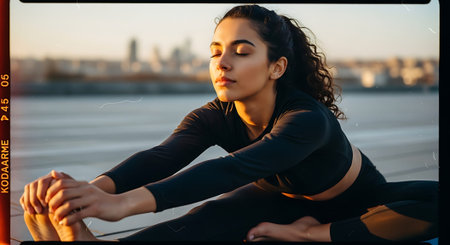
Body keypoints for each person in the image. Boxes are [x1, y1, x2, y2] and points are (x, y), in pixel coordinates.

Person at [20, 4, 438, 242]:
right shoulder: (212, 116)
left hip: (359, 200)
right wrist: (83, 194)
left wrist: (123, 205)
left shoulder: (307, 118)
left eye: (241, 50)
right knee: (199, 223)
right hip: (275, 198)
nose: (223, 62)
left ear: (276, 67)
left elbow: (231, 169)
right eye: (216, 50)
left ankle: (311, 234)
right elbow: (162, 157)